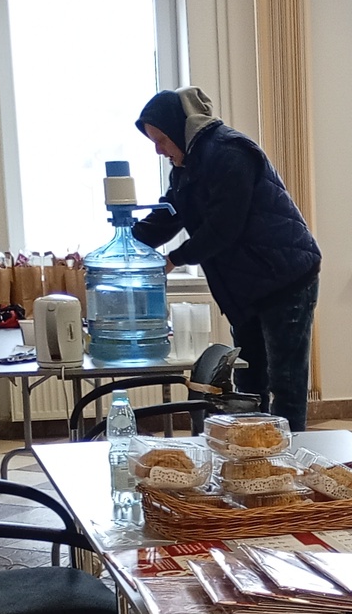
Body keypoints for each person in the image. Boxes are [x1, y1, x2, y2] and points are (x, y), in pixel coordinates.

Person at [134, 87, 323, 429]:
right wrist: (126, 244)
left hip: (286, 278)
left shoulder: (229, 152)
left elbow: (224, 228)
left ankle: (289, 456)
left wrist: (172, 259)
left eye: (161, 140)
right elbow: (167, 216)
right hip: (248, 287)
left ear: (177, 129)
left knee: (286, 385)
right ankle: (253, 454)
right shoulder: (186, 167)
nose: (159, 150)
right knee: (249, 381)